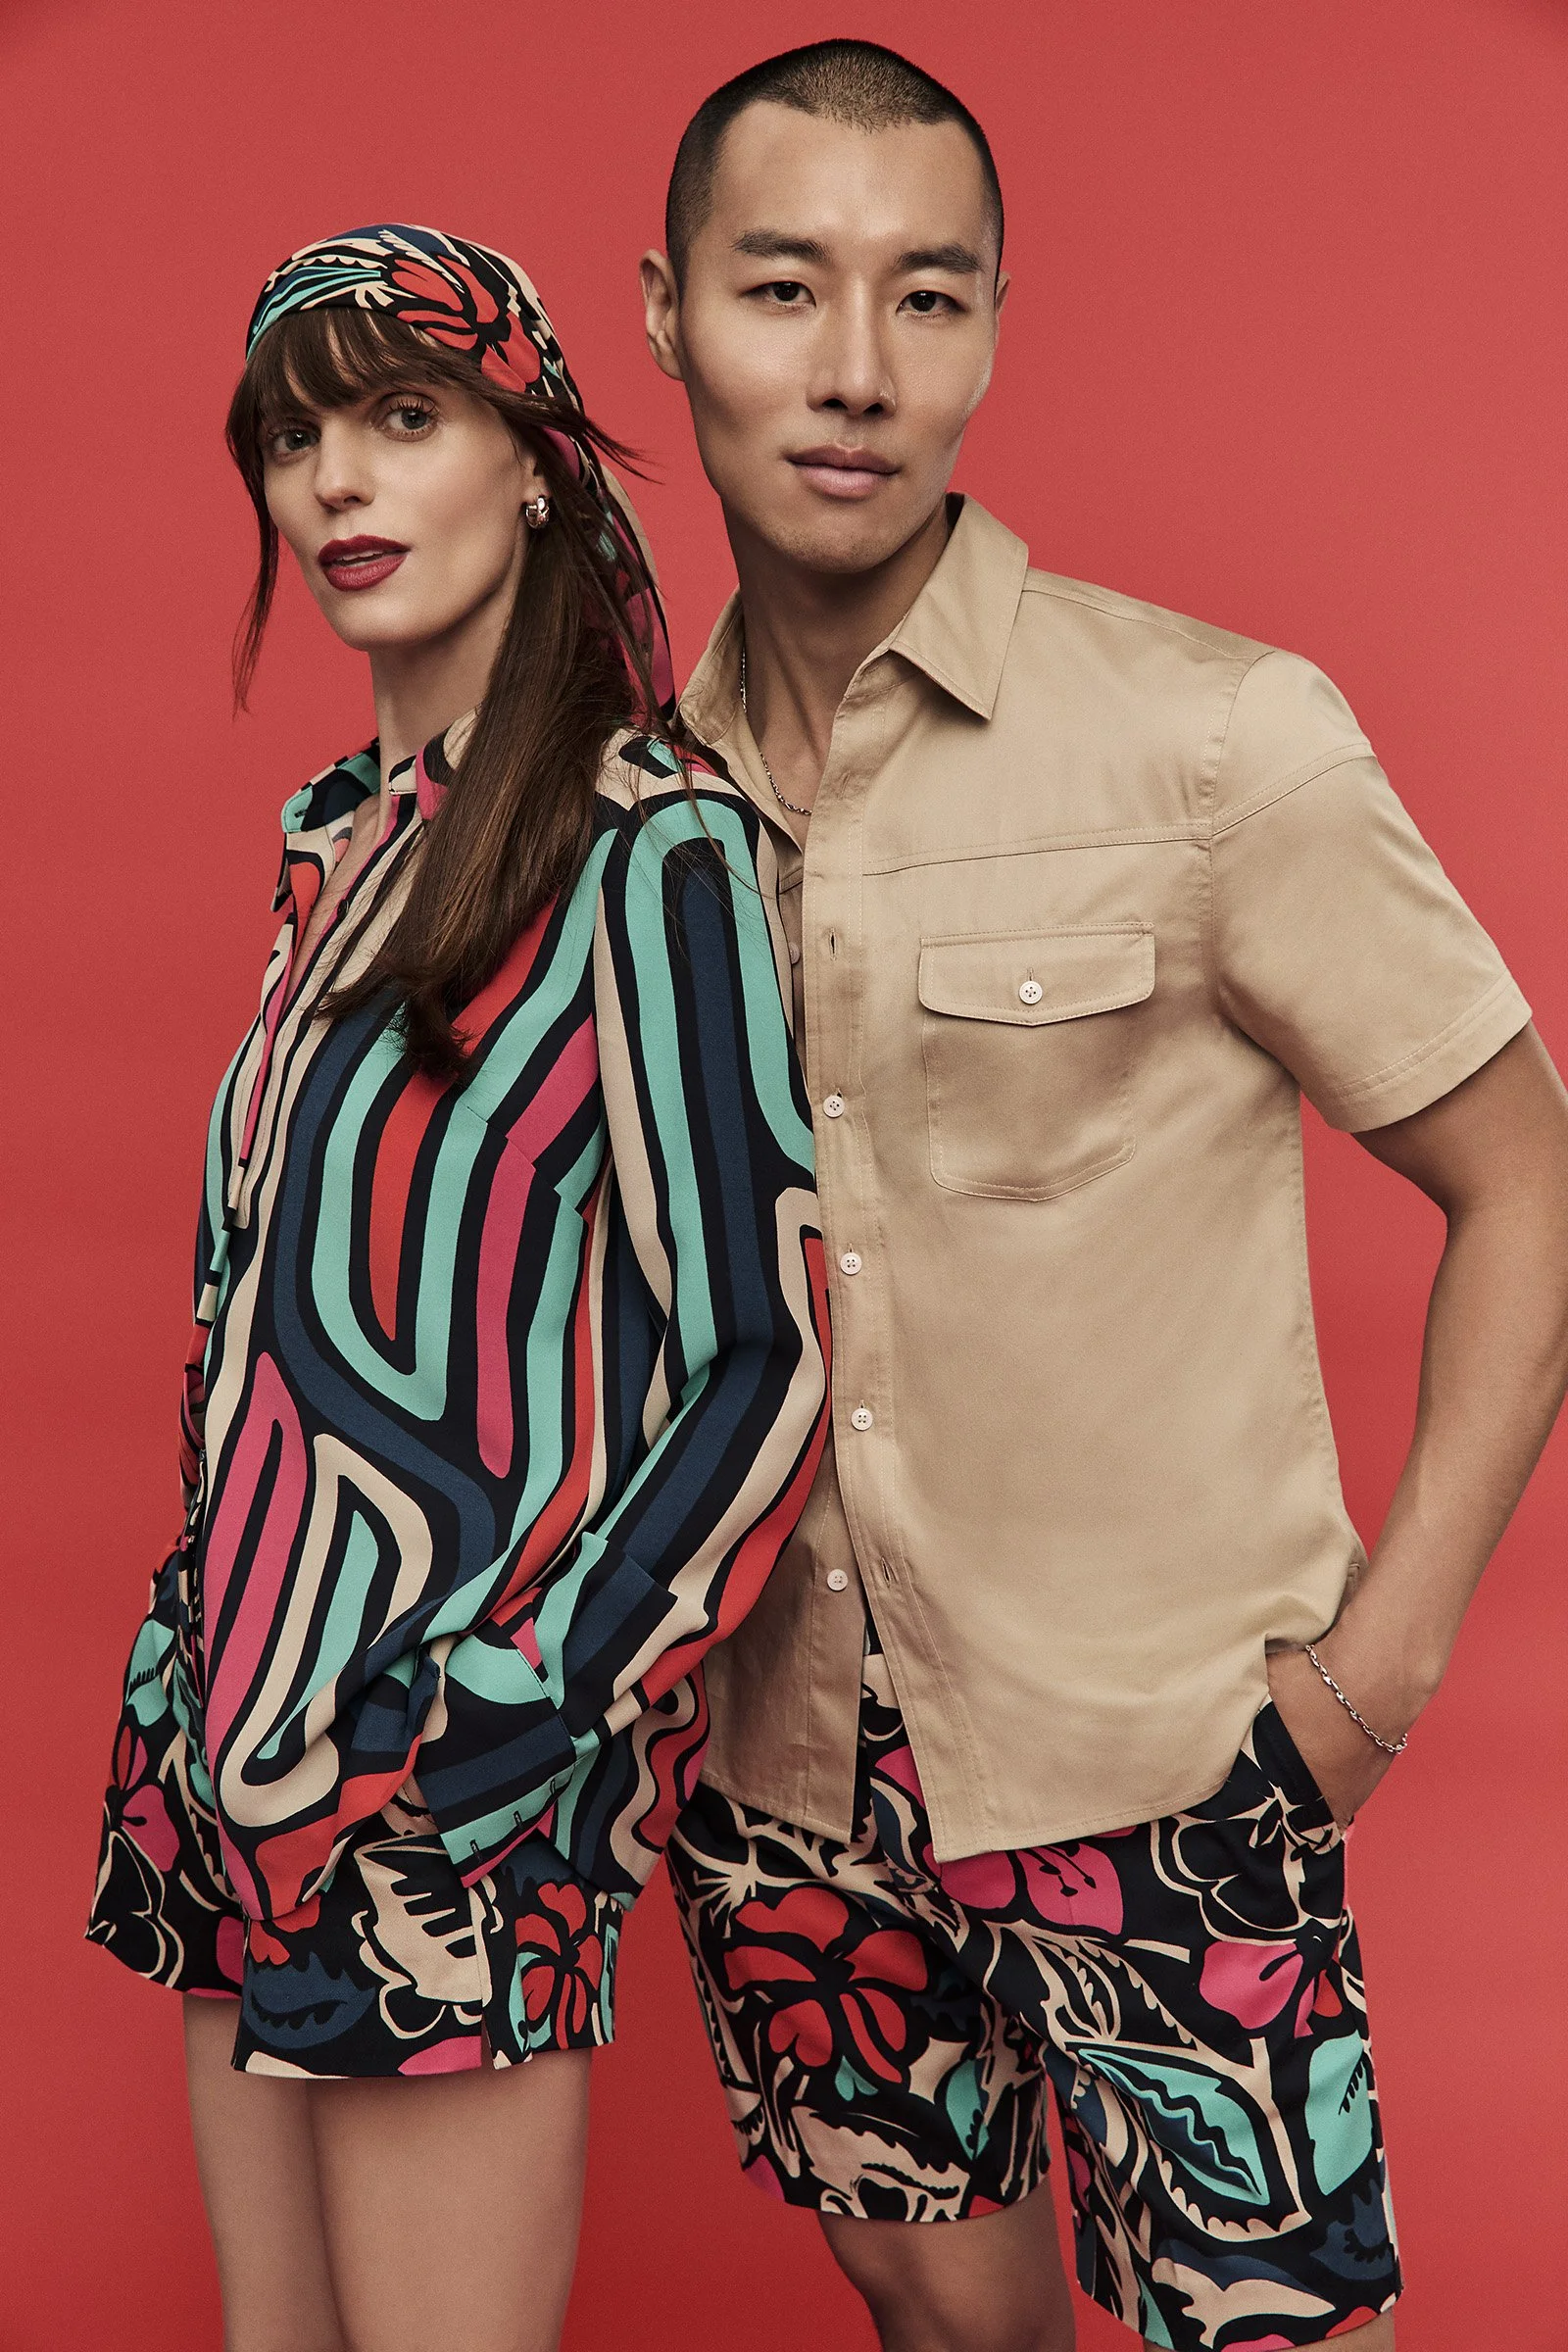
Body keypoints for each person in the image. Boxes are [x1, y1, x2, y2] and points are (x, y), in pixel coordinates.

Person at [640, 41, 1568, 2352]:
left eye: (924, 297)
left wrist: (1377, 1668)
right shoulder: (628, 809)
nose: (853, 370)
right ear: (665, 316)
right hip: (781, 1767)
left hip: (1166, 1763)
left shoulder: (1212, 740)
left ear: (988, 328)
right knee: (936, 2321)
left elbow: (1529, 1180)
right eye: (783, 288)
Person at [88, 222, 828, 2352]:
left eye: (403, 419)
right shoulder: (340, 841)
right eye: (295, 435)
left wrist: (523, 1707)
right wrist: (183, 1656)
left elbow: (760, 1356)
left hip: (440, 1785)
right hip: (226, 1746)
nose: (337, 481)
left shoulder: (647, 840)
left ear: (532, 465)